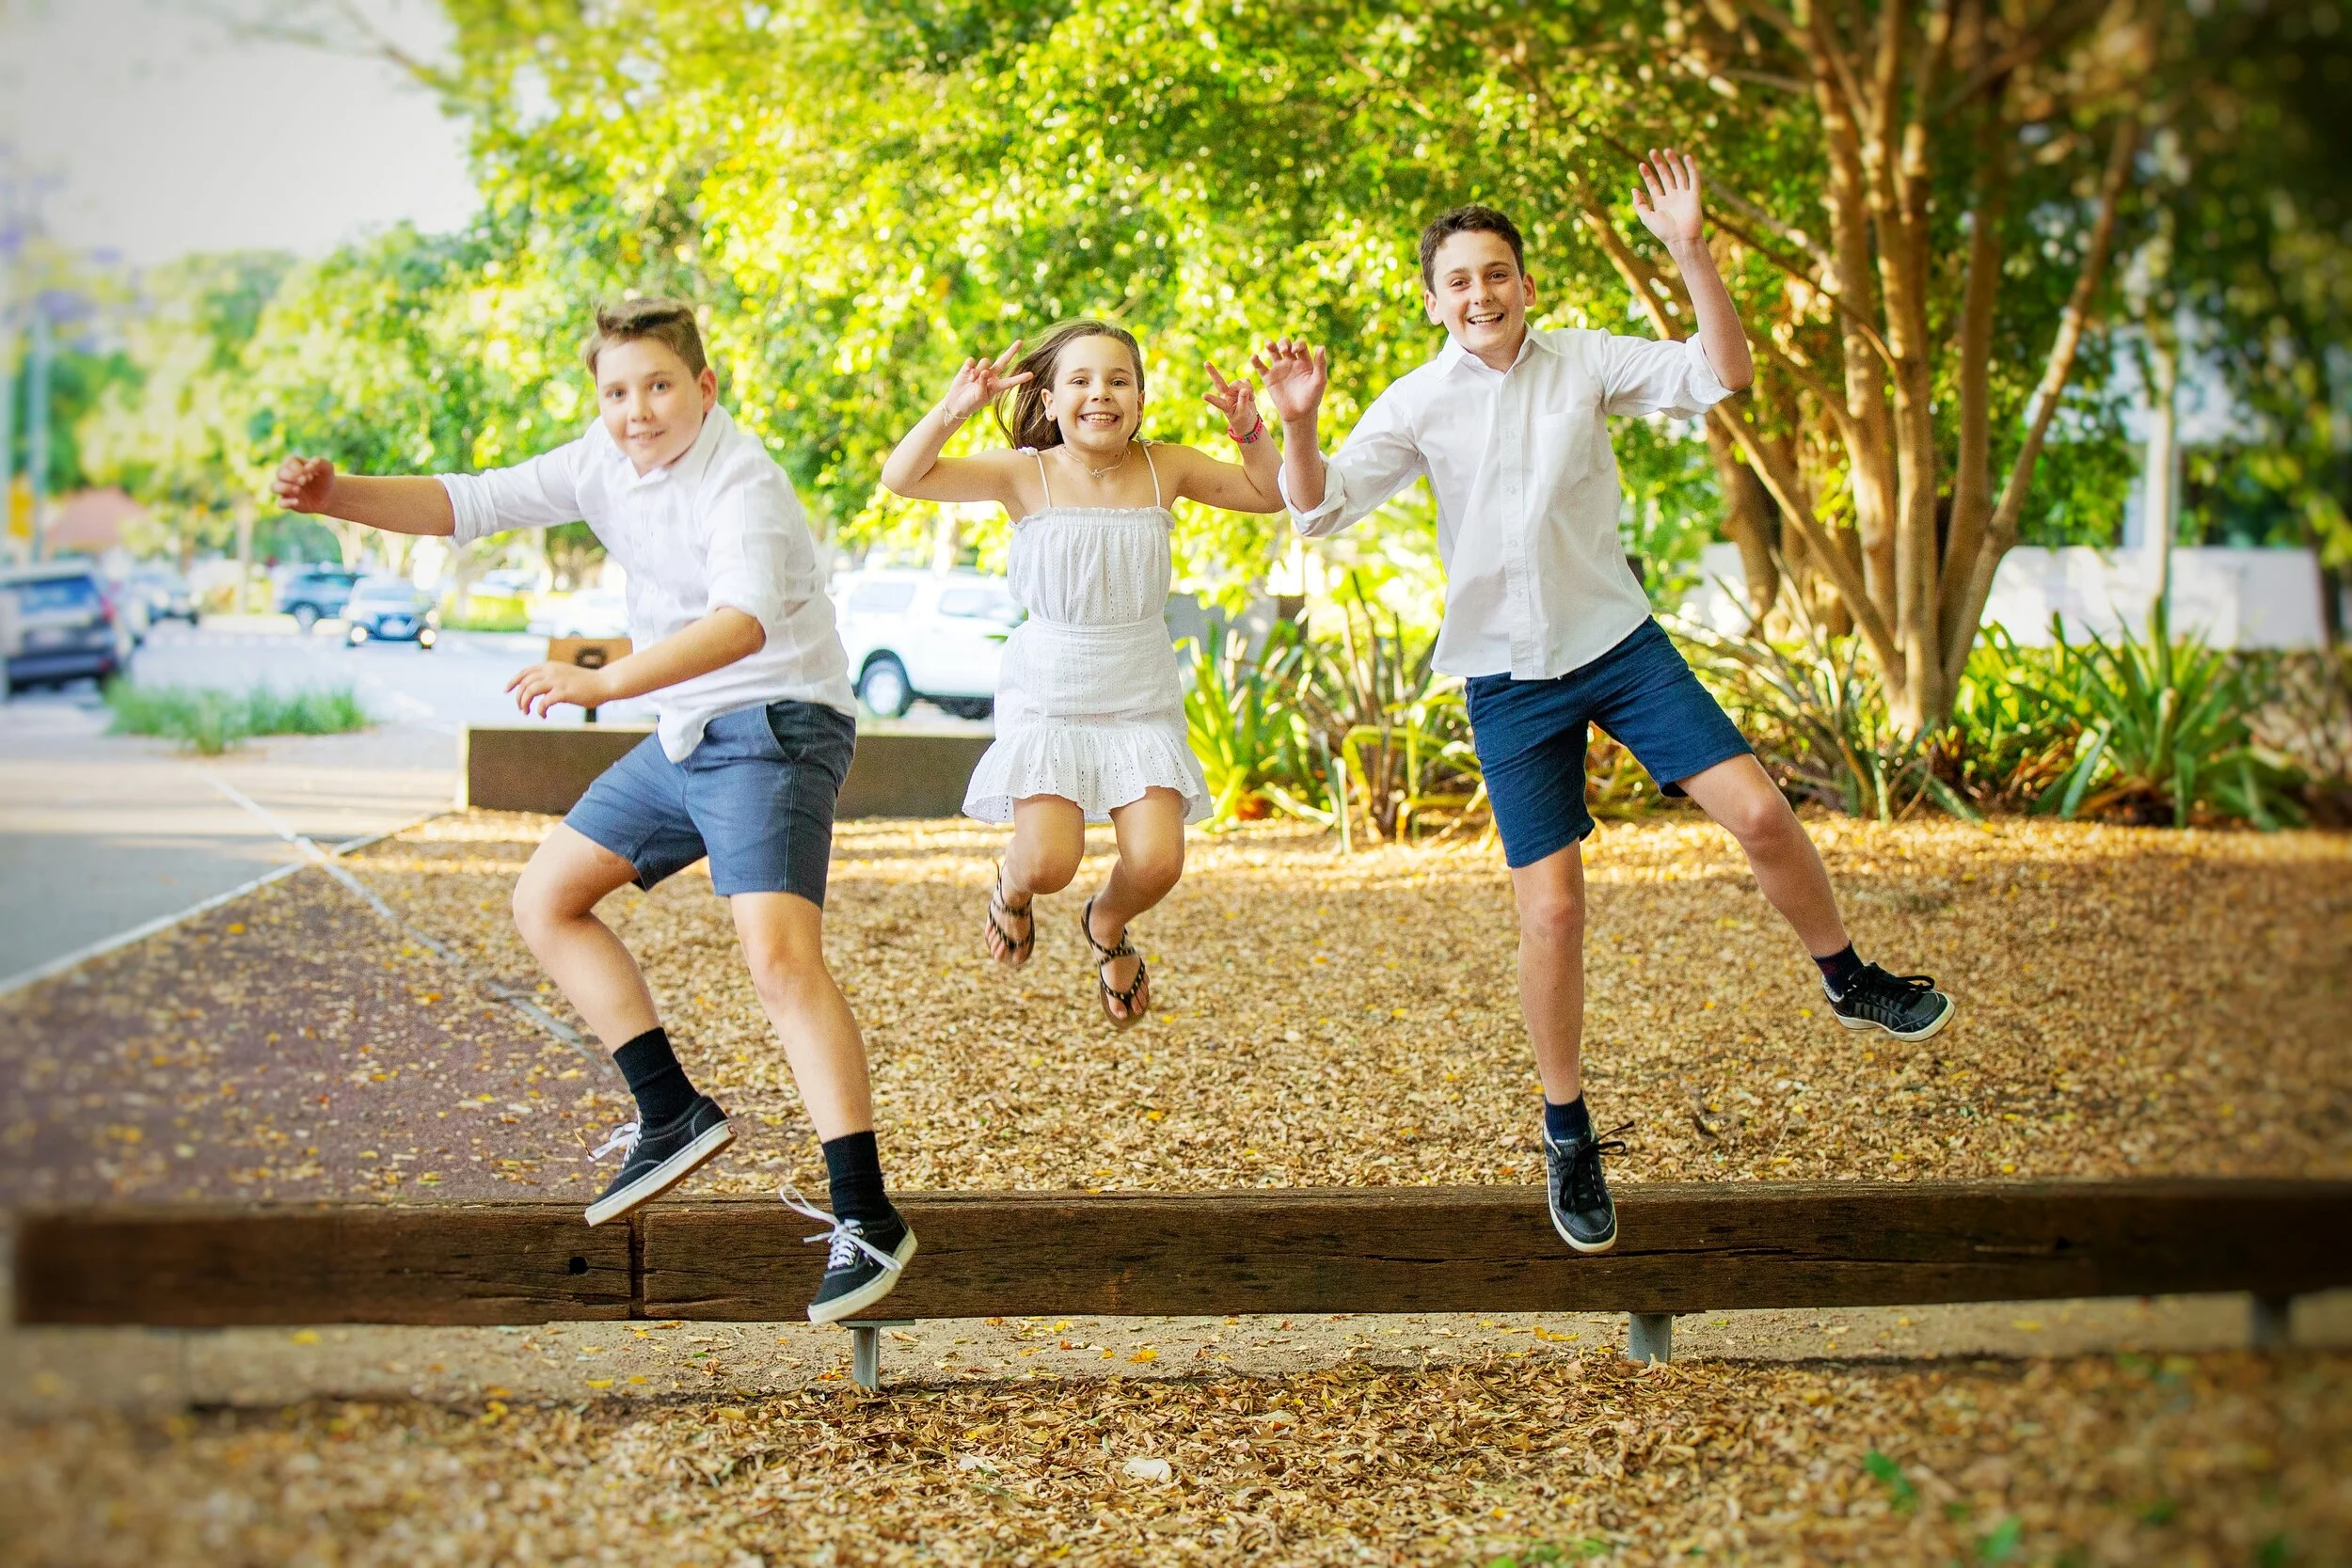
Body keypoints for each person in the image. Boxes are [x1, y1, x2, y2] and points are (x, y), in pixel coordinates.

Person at [1258, 151, 1956, 1257]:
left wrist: (1690, 249)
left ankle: (1845, 976)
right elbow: (1315, 511)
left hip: (1618, 644)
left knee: (1765, 817)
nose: (1479, 295)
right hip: (1507, 680)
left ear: (1526, 284)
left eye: (1498, 274)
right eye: (1458, 281)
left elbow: (1720, 374)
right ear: (1431, 298)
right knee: (1554, 912)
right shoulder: (1417, 401)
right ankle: (1566, 1127)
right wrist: (1294, 423)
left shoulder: (1581, 360)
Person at [269, 297, 914, 1324]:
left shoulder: (742, 484)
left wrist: (602, 682)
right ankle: (669, 1108)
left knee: (778, 959)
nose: (638, 411)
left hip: (775, 722)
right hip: (685, 733)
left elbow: (740, 624)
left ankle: (866, 1214)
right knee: (546, 897)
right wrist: (339, 494)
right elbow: (466, 501)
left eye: (659, 386)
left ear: (704, 387)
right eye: (617, 391)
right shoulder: (600, 460)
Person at [880, 321, 1284, 1026]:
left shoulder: (1167, 467)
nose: (1102, 393)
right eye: (1082, 380)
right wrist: (955, 411)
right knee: (1048, 863)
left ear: (1140, 396)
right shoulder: (1024, 473)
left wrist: (1252, 428)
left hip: (1139, 695)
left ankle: (1107, 922)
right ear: (1050, 396)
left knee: (1159, 861)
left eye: (1119, 380)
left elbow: (1268, 493)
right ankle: (1010, 886)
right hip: (1050, 695)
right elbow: (902, 477)